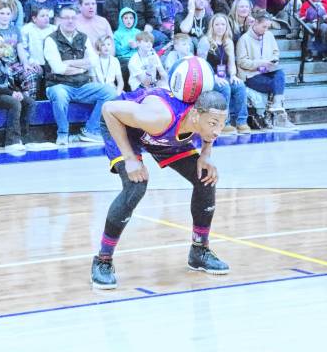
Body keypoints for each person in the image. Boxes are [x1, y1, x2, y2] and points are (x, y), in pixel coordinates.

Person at [91, 88, 230, 289]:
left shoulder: (206, 114)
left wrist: (206, 154)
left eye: (222, 124)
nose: (218, 130)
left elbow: (212, 127)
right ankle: (103, 260)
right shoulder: (160, 115)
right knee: (135, 186)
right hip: (123, 125)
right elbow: (109, 109)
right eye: (213, 124)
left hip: (161, 133)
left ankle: (199, 250)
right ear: (194, 114)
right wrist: (130, 159)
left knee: (205, 177)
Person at [43, 6, 118, 145]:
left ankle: (91, 130)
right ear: (59, 20)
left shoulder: (83, 37)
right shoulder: (50, 40)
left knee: (110, 92)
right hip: (59, 84)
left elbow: (94, 61)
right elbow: (58, 68)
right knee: (59, 95)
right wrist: (82, 66)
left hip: (82, 85)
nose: (70, 21)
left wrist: (70, 64)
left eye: (73, 18)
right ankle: (63, 133)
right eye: (66, 18)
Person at [236, 9, 296, 129]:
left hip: (267, 70)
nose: (266, 30)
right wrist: (260, 63)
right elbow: (242, 62)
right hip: (251, 75)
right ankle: (278, 113)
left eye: (268, 27)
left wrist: (273, 60)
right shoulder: (244, 39)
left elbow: (275, 52)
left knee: (280, 73)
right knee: (276, 84)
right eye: (264, 27)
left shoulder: (268, 35)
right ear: (255, 23)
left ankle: (277, 104)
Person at [0, 28, 34, 152]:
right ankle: (11, 140)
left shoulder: (4, 62)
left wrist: (17, 91)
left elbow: (9, 81)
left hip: (4, 91)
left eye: (1, 47)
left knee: (29, 102)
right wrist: (11, 93)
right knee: (14, 103)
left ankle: (23, 137)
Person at [198, 13, 249, 134]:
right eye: (217, 24)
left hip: (224, 76)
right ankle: (223, 123)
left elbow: (231, 63)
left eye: (223, 24)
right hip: (209, 77)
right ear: (212, 26)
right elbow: (201, 64)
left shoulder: (228, 42)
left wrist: (233, 75)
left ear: (226, 26)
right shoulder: (205, 41)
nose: (220, 27)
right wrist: (214, 77)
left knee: (240, 86)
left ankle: (241, 122)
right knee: (224, 87)